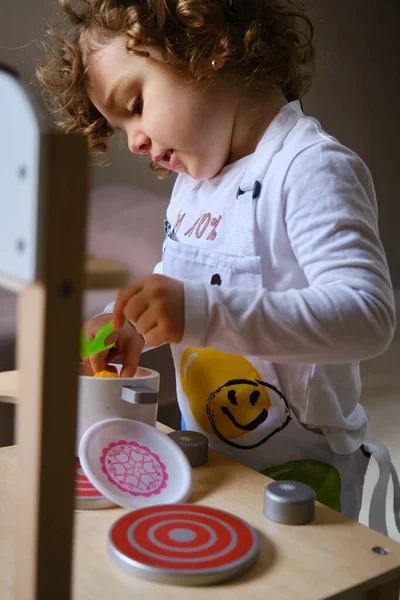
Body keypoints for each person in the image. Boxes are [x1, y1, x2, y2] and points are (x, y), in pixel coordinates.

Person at [38, 0, 397, 529]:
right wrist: (137, 326)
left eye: (135, 104)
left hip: (302, 478)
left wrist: (201, 312)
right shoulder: (196, 186)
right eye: (120, 127)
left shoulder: (310, 167)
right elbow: (181, 291)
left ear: (204, 48)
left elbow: (368, 318)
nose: (134, 140)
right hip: (213, 458)